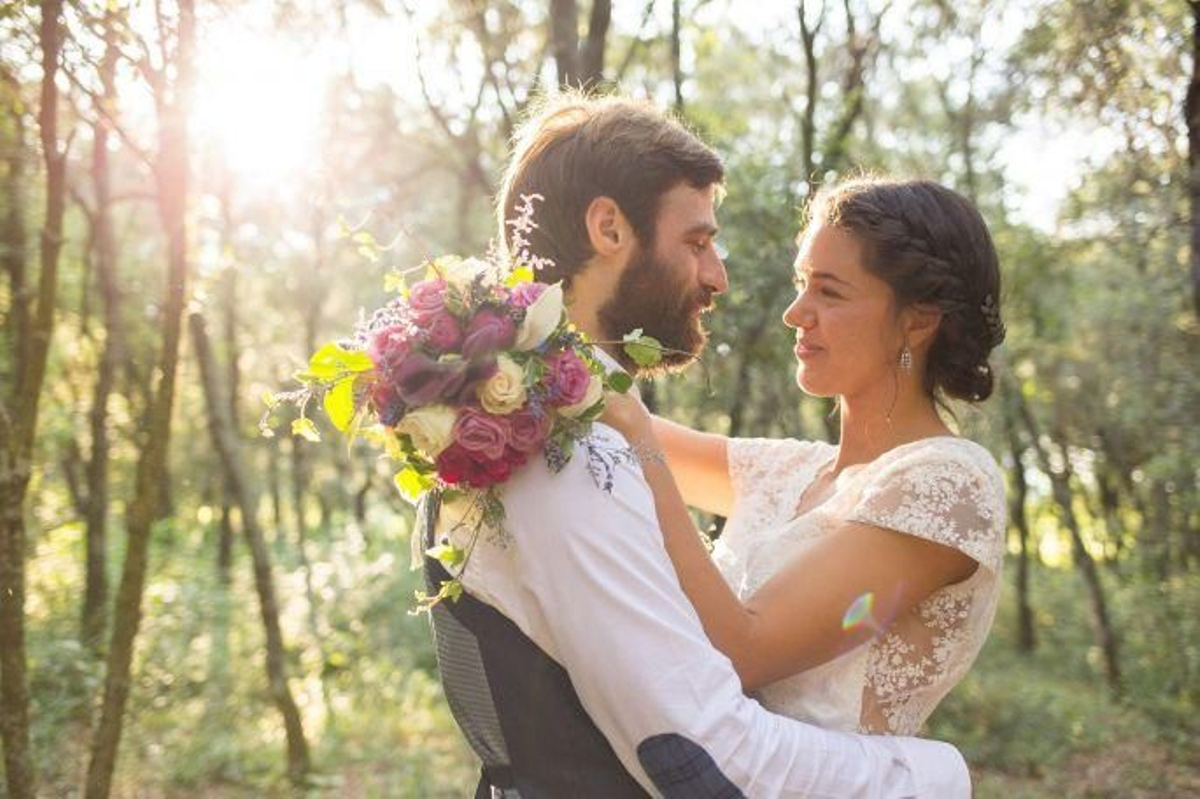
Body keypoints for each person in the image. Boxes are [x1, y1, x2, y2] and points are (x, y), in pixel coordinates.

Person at [419, 95, 973, 797]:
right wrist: (937, 773)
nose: (719, 277)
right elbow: (696, 752)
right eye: (696, 241)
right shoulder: (569, 454)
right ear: (609, 228)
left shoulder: (511, 426)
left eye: (828, 292)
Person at [601, 176, 1008, 737]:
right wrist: (504, 332)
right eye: (801, 284)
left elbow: (743, 650)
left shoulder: (949, 484)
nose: (795, 313)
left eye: (829, 291)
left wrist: (638, 439)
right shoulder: (789, 472)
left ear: (918, 319)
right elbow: (611, 411)